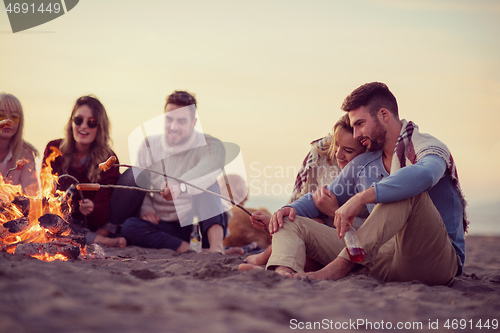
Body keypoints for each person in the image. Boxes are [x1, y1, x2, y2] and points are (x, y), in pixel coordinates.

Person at [265, 82, 466, 286]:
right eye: (353, 127)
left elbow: (425, 176)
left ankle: (337, 268)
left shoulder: (426, 146)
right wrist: (289, 208)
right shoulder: (364, 163)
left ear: (384, 115)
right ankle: (284, 274)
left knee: (405, 190)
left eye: (360, 124)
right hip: (380, 257)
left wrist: (362, 197)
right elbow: (324, 195)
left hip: (433, 261)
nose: (356, 134)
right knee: (291, 219)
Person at [242, 115, 366, 267]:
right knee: (300, 223)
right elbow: (310, 201)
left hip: (355, 241)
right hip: (329, 232)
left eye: (347, 150)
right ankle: (277, 266)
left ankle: (265, 260)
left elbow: (371, 228)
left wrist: (333, 211)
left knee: (310, 227)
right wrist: (285, 211)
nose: (338, 155)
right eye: (337, 145)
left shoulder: (369, 176)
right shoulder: (341, 177)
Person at [120, 91, 228, 253]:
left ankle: (216, 249)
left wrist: (179, 184)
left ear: (193, 123)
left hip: (199, 224)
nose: (173, 127)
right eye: (169, 119)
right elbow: (141, 183)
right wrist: (147, 209)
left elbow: (212, 164)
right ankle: (188, 249)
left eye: (181, 121)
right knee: (130, 227)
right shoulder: (149, 145)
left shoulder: (208, 144)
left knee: (208, 182)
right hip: (165, 224)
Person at [42, 95, 126, 248]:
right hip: (59, 219)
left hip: (93, 223)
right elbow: (46, 192)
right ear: (71, 122)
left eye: (92, 122)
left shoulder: (108, 158)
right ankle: (98, 239)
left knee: (132, 179)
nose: (84, 126)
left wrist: (92, 209)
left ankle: (94, 237)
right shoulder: (54, 149)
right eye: (78, 120)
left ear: (100, 127)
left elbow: (104, 211)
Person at [0, 93, 38, 196]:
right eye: (1, 116)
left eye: (14, 117)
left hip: (10, 211)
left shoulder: (26, 155)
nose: (8, 121)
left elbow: (32, 194)